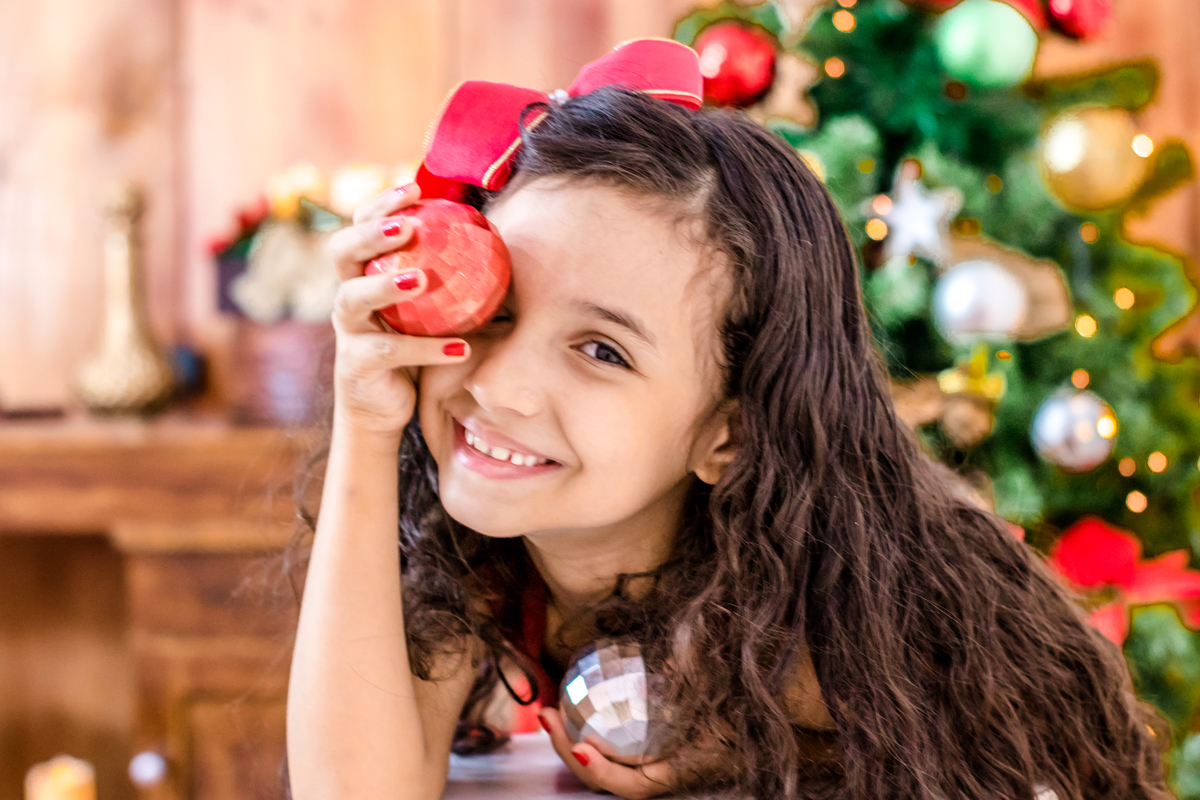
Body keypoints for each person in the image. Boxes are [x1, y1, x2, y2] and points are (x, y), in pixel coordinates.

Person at [285, 59, 1171, 800]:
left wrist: (741, 747)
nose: (500, 384)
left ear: (729, 434)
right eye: (497, 309)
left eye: (601, 350)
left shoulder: (821, 625)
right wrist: (367, 426)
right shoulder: (473, 562)